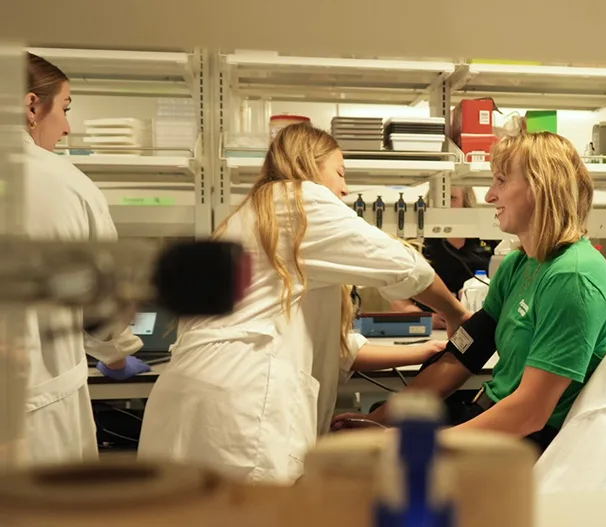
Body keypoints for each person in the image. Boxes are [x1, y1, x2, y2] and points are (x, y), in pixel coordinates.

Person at [137, 122, 469, 484]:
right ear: (309, 165)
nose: (345, 187)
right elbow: (406, 267)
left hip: (193, 394)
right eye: (340, 173)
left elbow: (341, 350)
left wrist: (421, 351)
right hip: (242, 401)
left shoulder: (254, 215)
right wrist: (456, 313)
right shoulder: (301, 199)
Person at [333, 130, 606, 456]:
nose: (488, 196)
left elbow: (529, 414)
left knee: (368, 466)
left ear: (540, 187)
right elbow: (460, 357)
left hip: (534, 445)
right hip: (493, 418)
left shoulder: (573, 278)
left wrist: (405, 441)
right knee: (366, 433)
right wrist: (382, 420)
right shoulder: (518, 266)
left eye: (500, 181)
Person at [22, 53, 150, 465]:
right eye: (65, 108)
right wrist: (115, 353)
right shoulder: (64, 185)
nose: (66, 127)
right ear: (31, 106)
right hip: (34, 409)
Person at [390, 187, 498, 329]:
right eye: (440, 199)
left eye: (452, 198)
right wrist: (424, 319)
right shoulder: (416, 242)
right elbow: (397, 295)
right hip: (431, 327)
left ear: (465, 204)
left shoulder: (488, 238)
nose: (445, 204)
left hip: (477, 323)